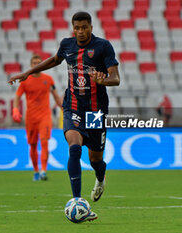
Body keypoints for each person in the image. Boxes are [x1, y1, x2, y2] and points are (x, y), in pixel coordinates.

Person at [8, 12, 120, 221]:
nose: (80, 31)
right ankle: (77, 201)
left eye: (84, 27)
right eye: (76, 27)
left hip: (96, 111)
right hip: (73, 107)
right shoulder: (67, 45)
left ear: (91, 27)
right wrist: (27, 73)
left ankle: (100, 177)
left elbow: (116, 78)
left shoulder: (103, 47)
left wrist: (103, 80)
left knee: (96, 160)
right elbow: (54, 60)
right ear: (73, 28)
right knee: (75, 147)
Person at [12, 54, 62, 181]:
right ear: (31, 65)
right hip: (31, 117)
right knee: (33, 145)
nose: (36, 65)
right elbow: (17, 96)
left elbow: (55, 95)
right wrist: (15, 109)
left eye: (38, 63)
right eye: (34, 63)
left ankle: (43, 171)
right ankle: (35, 171)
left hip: (45, 115)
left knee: (44, 142)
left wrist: (64, 108)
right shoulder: (25, 81)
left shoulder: (48, 79)